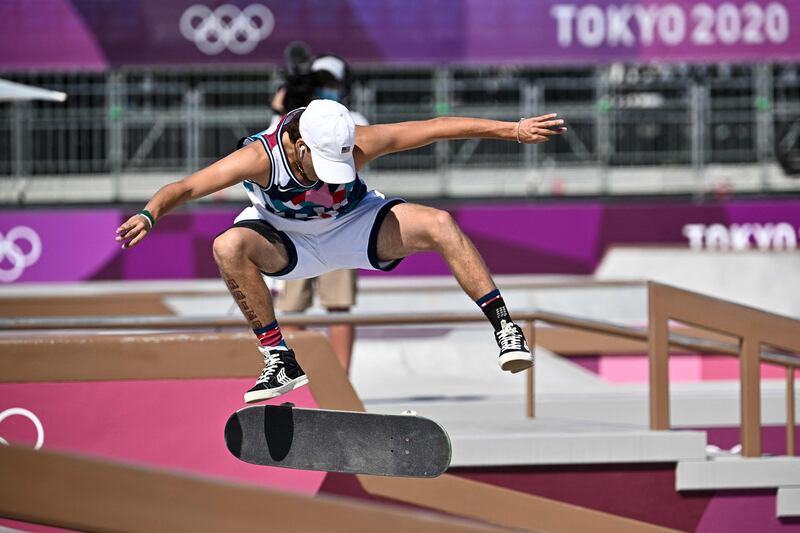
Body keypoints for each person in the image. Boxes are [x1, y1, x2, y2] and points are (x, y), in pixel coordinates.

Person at [116, 99, 566, 403]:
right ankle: (279, 359)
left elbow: (433, 129)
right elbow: (188, 186)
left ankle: (505, 328)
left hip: (355, 226)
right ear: (297, 144)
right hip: (284, 239)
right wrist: (150, 214)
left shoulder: (359, 142)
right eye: (324, 165)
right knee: (228, 245)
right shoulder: (259, 156)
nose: (334, 175)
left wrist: (514, 130)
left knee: (440, 224)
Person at [269, 54, 365, 372]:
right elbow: (270, 148)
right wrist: (280, 112)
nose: (326, 90)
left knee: (339, 306)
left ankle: (341, 380)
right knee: (291, 309)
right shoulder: (291, 122)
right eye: (319, 83)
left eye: (332, 84)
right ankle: (310, 379)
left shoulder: (349, 119)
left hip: (339, 223)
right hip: (294, 228)